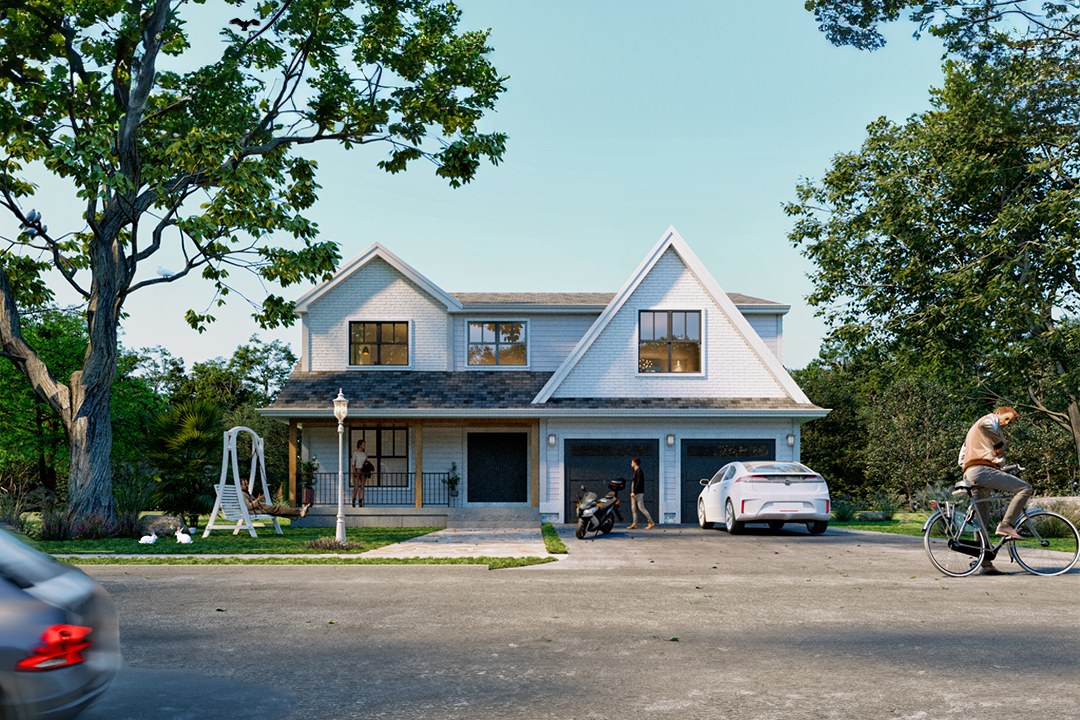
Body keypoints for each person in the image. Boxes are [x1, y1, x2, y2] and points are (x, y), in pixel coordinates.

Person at [958, 406, 1032, 575]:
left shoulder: (973, 431)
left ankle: (985, 564)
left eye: (1010, 422)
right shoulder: (989, 420)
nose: (1007, 423)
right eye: (1006, 418)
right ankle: (1006, 525)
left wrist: (975, 467)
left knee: (982, 520)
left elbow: (962, 456)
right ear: (999, 412)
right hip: (982, 471)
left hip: (972, 473)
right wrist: (998, 446)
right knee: (1025, 488)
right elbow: (987, 428)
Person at [240, 479, 310, 519]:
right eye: (245, 484)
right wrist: (258, 500)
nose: (247, 485)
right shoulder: (242, 494)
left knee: (279, 510)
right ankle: (300, 511)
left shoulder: (246, 493)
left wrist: (259, 499)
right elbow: (248, 506)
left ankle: (300, 512)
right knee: (278, 509)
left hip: (261, 507)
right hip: (259, 509)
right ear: (240, 485)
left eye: (247, 483)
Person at [627, 457, 655, 530]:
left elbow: (639, 483)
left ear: (635, 463)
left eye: (632, 462)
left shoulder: (639, 472)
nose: (631, 464)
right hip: (633, 493)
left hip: (638, 493)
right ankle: (634, 524)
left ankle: (651, 522)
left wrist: (634, 492)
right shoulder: (636, 471)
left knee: (641, 508)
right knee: (633, 508)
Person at [351, 439, 370, 507]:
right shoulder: (355, 453)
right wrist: (354, 472)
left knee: (362, 487)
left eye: (364, 444)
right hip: (357, 470)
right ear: (359, 445)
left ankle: (360, 502)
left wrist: (367, 463)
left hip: (363, 471)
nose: (364, 445)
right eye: (363, 444)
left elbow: (367, 461)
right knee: (356, 487)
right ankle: (353, 500)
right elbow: (353, 463)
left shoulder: (365, 454)